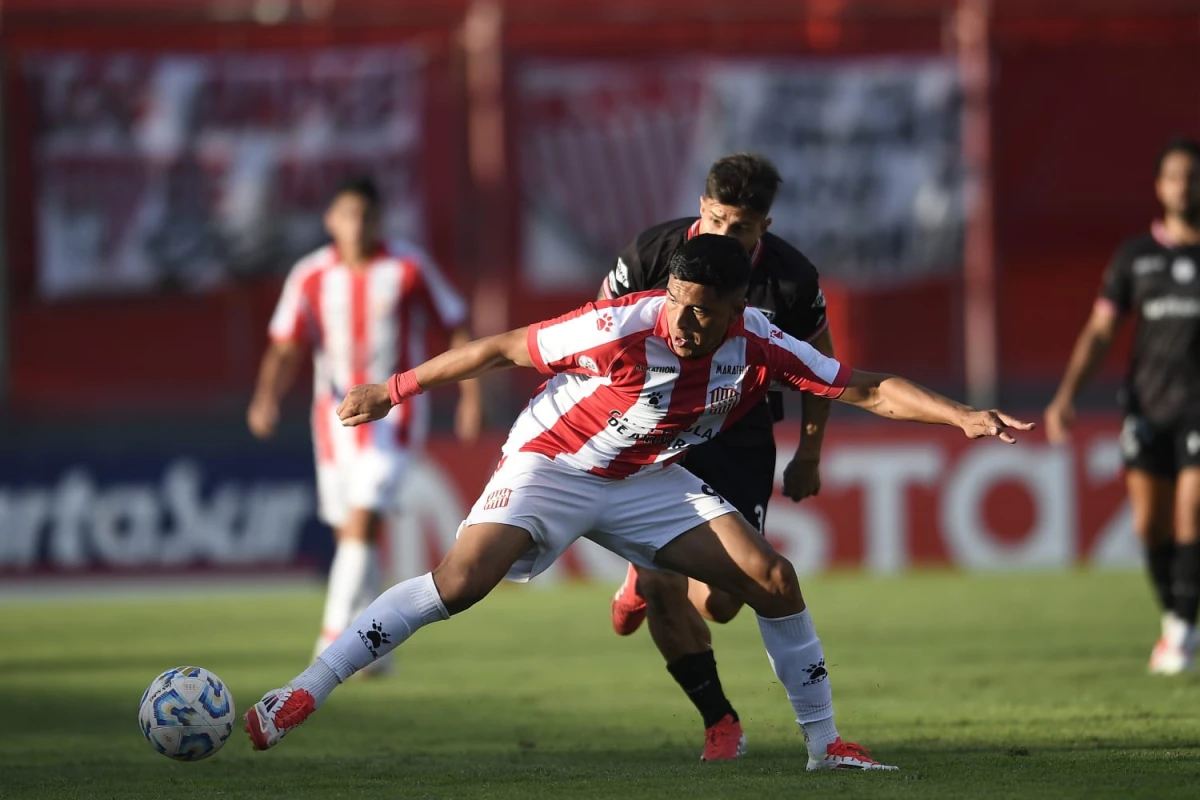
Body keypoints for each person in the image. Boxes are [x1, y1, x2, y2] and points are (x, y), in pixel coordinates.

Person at [244, 234, 1032, 770]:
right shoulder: (620, 324)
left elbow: (862, 386)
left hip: (645, 479)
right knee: (459, 585)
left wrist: (959, 413)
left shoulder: (759, 339)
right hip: (553, 463)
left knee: (772, 577)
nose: (686, 323)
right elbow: (501, 348)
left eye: (704, 311)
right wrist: (394, 389)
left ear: (736, 308)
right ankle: (304, 690)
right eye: (680, 303)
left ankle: (825, 747)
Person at [601, 153, 835, 760]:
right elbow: (599, 331)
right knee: (663, 584)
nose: (725, 236)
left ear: (766, 226)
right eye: (717, 219)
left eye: (742, 228)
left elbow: (824, 370)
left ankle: (645, 577)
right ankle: (719, 721)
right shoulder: (652, 253)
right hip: (654, 435)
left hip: (738, 435)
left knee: (727, 600)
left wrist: (809, 455)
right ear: (703, 207)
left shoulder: (790, 277)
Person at [247, 176, 482, 672]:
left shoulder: (407, 266)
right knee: (349, 533)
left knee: (361, 517)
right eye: (346, 215)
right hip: (331, 420)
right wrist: (266, 398)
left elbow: (456, 320)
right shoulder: (309, 275)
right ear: (330, 220)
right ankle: (374, 650)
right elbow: (286, 344)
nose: (356, 226)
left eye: (365, 216)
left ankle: (331, 644)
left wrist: (469, 396)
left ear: (378, 220)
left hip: (396, 415)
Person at [1045, 138, 1200, 675]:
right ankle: (1179, 622)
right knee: (1151, 528)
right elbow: (1101, 331)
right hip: (1148, 409)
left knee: (1192, 513)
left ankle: (1181, 631)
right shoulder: (1137, 256)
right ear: (1160, 188)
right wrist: (1066, 396)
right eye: (1176, 177)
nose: (1185, 186)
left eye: (1193, 176)